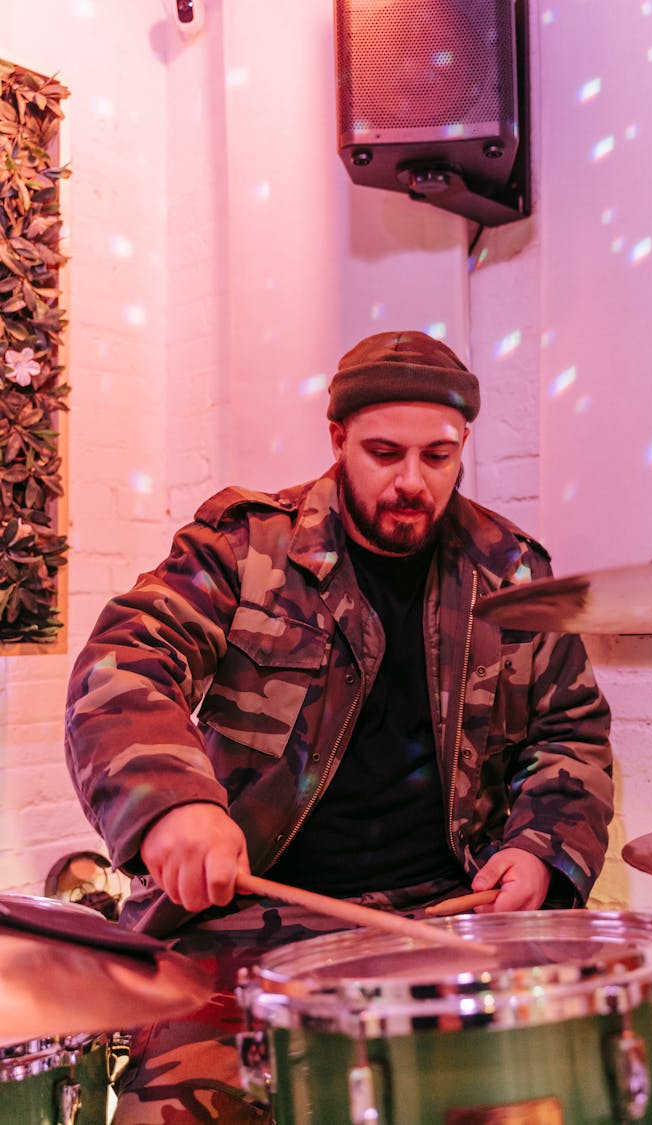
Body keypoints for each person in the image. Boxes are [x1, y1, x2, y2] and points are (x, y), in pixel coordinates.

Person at [65, 330, 613, 1123]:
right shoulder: (245, 547)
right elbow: (125, 662)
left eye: (439, 455)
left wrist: (538, 849)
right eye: (384, 452)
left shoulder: (512, 569)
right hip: (252, 922)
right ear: (337, 439)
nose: (412, 481)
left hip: (447, 915)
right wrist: (172, 802)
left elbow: (570, 732)